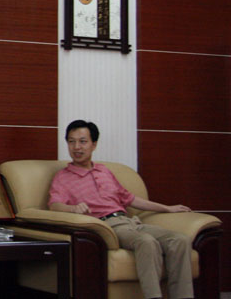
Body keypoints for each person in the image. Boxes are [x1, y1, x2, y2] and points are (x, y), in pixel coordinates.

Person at [48, 120, 193, 299]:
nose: (76, 147)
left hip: (130, 222)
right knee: (146, 241)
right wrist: (73, 208)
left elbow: (129, 198)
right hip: (107, 226)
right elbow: (54, 205)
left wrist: (167, 208)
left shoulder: (104, 171)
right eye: (71, 141)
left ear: (94, 144)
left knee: (179, 240)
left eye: (82, 141)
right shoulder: (63, 177)